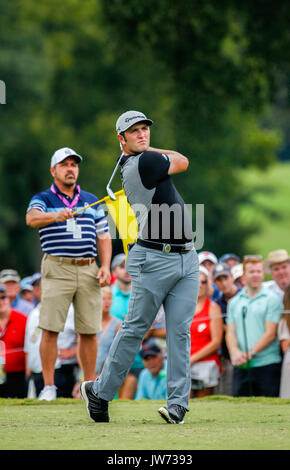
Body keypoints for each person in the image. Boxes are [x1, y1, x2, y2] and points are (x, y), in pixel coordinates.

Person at [80, 110, 199, 425]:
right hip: (154, 259)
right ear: (122, 139)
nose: (143, 134)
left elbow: (176, 161)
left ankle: (177, 406)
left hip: (187, 257)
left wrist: (146, 148)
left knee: (179, 332)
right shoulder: (143, 163)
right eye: (134, 131)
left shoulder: (142, 159)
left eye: (145, 129)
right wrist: (151, 150)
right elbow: (184, 160)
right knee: (134, 329)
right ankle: (100, 393)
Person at [26, 147, 112, 401]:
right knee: (51, 328)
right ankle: (49, 387)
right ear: (53, 171)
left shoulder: (90, 198)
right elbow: (31, 218)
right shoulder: (44, 198)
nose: (70, 168)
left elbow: (104, 236)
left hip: (88, 267)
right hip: (57, 266)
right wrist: (54, 216)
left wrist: (105, 266)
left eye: (74, 164)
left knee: (88, 330)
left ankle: (89, 387)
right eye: (64, 165)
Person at [226, 255, 282, 397]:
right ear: (244, 275)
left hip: (267, 364)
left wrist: (250, 353)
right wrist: (234, 352)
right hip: (241, 365)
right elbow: (230, 332)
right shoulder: (234, 302)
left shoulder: (272, 299)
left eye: (259, 271)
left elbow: (270, 333)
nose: (256, 275)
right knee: (240, 410)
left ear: (263, 274)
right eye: (252, 272)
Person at [25, 302, 78, 398]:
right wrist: (28, 372)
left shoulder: (71, 309)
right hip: (36, 372)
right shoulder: (34, 312)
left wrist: (73, 351)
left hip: (60, 370)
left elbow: (85, 337)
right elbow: (29, 346)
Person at [110, 253, 145, 399]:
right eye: (121, 266)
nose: (127, 270)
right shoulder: (105, 295)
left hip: (140, 360)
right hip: (112, 359)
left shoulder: (144, 294)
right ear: (113, 272)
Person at [190, 266, 223, 398]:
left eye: (203, 281)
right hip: (185, 362)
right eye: (195, 281)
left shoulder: (213, 308)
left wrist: (192, 359)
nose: (199, 285)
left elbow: (216, 342)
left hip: (206, 363)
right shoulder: (183, 307)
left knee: (203, 403)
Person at [213, 262, 241, 396]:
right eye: (219, 280)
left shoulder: (244, 297)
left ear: (231, 277)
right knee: (228, 392)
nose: (223, 283)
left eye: (225, 278)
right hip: (225, 356)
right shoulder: (217, 304)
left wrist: (224, 326)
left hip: (245, 352)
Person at [0, 284, 27, 398]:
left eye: (3, 297)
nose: (1, 301)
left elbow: (29, 350)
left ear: (9, 299)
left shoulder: (23, 320)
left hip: (18, 375)